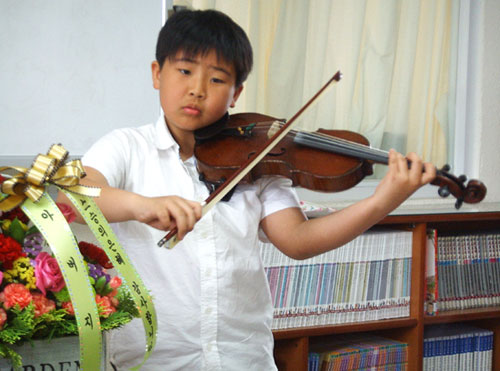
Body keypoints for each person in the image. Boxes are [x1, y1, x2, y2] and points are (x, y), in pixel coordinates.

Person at [59, 9, 436, 370]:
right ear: (157, 74)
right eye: (185, 71)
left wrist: (381, 201)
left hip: (243, 357)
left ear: (236, 94)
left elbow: (298, 240)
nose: (197, 89)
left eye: (217, 79)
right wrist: (140, 205)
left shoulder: (256, 159)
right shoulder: (126, 147)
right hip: (152, 359)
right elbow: (74, 195)